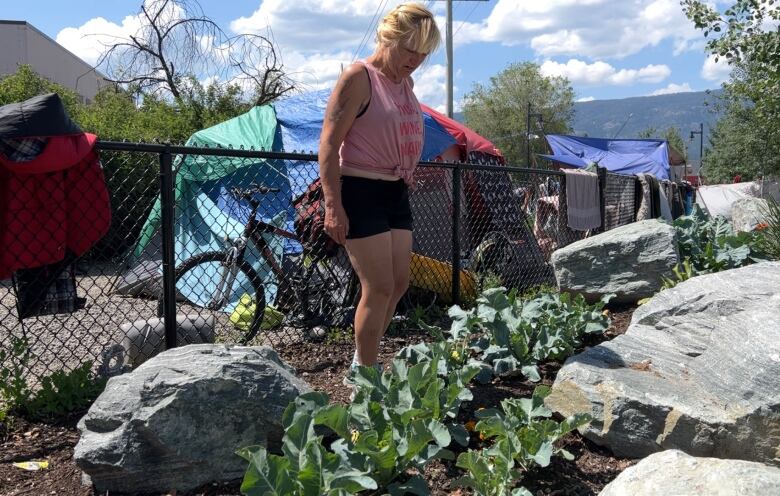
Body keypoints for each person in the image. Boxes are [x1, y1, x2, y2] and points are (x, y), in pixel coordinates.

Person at [318, 3, 441, 381]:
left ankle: (362, 360)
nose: (416, 60)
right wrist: (332, 205)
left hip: (395, 190)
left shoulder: (406, 83)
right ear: (387, 38)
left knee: (400, 283)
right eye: (409, 49)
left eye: (424, 52)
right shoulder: (358, 77)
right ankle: (367, 377)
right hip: (360, 190)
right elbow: (327, 144)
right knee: (379, 287)